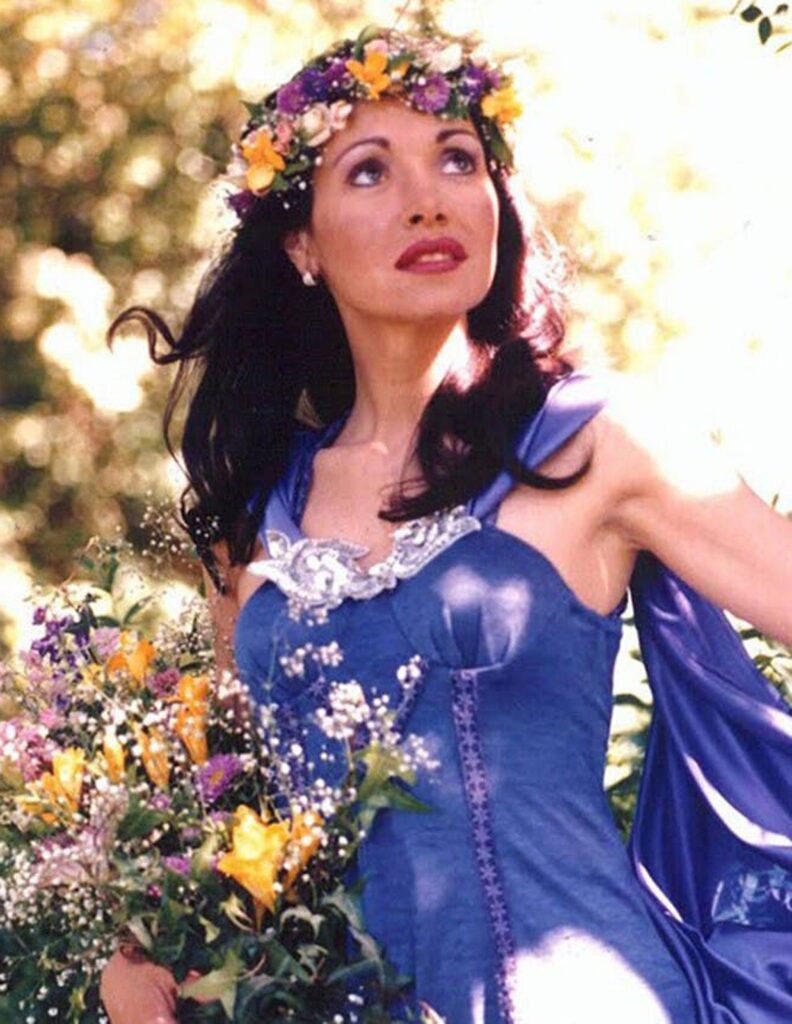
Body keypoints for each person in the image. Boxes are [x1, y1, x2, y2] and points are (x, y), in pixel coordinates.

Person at [100, 24, 792, 1024]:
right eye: (370, 170)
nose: (428, 198)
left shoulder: (598, 444)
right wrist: (139, 950)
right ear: (300, 243)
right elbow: (236, 815)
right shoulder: (254, 515)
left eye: (458, 159)